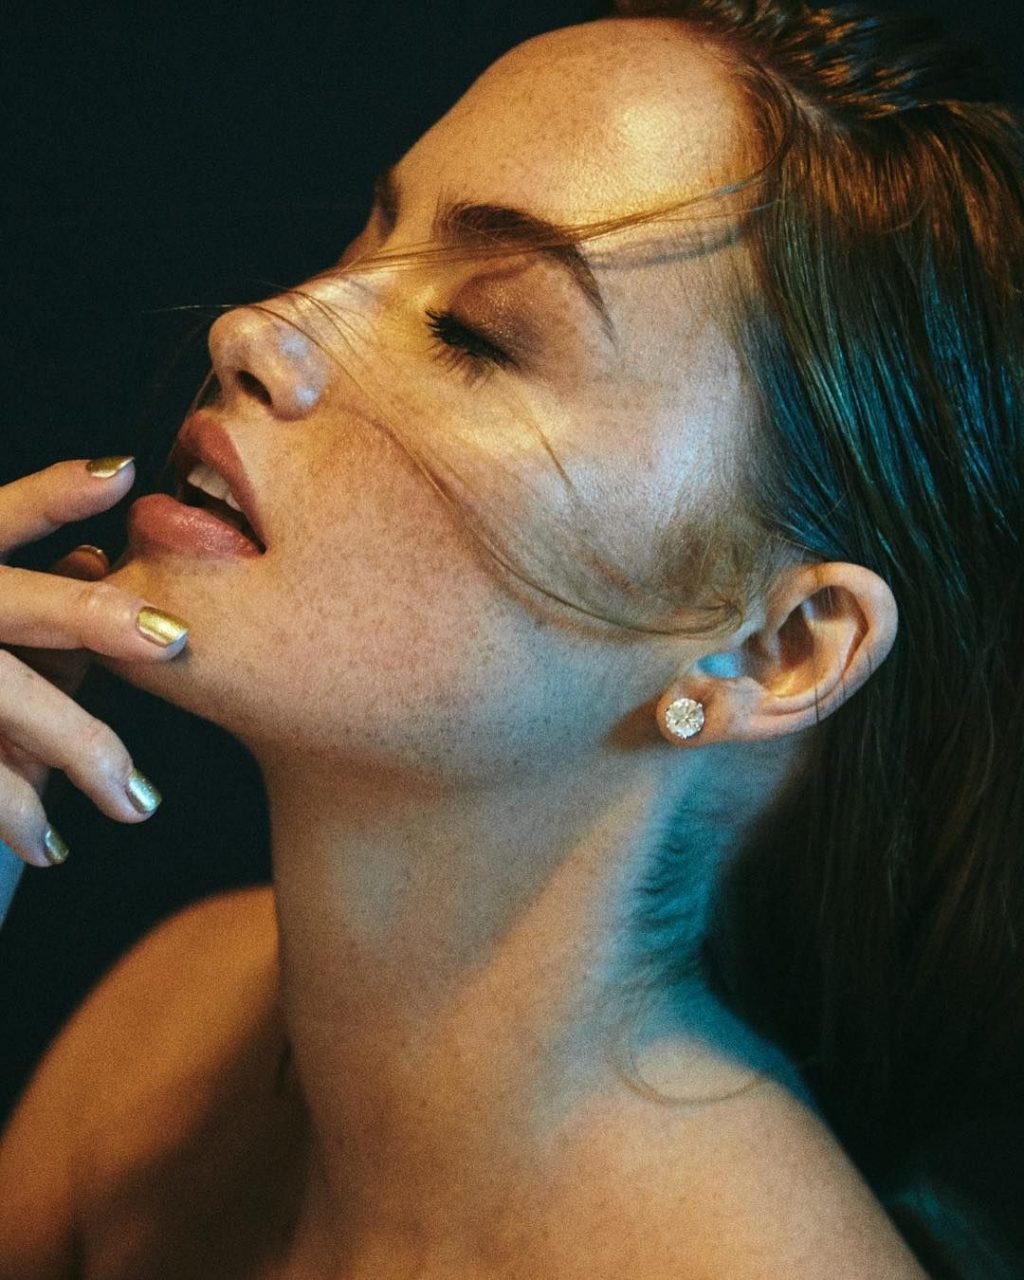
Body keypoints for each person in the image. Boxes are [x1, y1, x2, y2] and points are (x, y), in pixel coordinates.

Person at [1, 0, 1021, 1275]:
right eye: (366, 240)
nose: (254, 328)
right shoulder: (164, 1028)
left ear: (782, 650)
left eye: (477, 333)